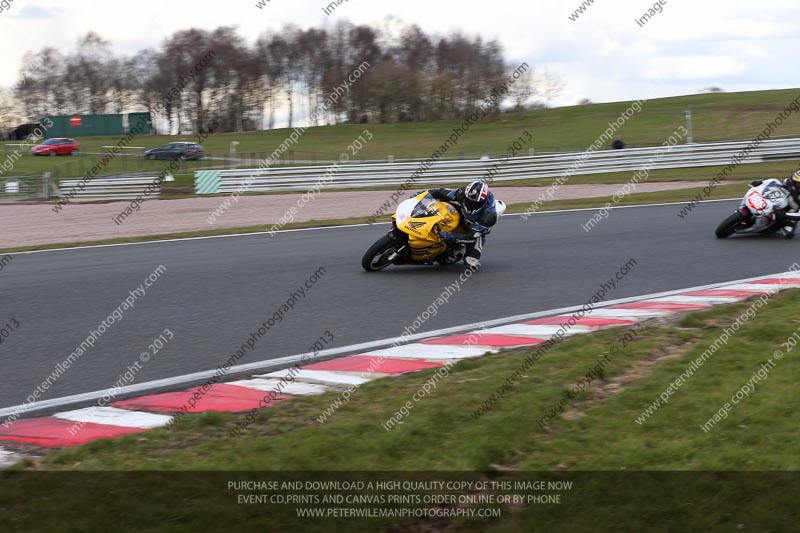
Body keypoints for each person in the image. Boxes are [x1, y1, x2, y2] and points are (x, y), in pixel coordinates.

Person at [424, 180, 497, 269]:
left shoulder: (489, 216)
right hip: (462, 214)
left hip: (475, 228)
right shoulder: (461, 193)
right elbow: (439, 192)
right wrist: (419, 198)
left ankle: (459, 250)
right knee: (442, 202)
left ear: (483, 202)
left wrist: (450, 236)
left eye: (474, 203)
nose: (470, 204)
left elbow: (472, 235)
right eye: (468, 201)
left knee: (471, 262)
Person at [750, 170, 800, 238]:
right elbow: (774, 182)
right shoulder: (788, 182)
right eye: (796, 182)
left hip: (790, 213)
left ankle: (778, 226)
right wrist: (761, 182)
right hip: (778, 200)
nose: (797, 185)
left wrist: (785, 215)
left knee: (789, 234)